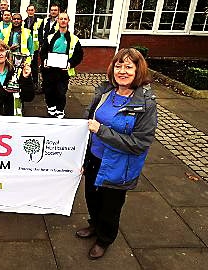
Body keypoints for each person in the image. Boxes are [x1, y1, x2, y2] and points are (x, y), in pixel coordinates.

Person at [77, 48, 157, 260]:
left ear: (138, 71)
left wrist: (102, 131)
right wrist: (82, 155)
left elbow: (140, 143)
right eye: (118, 66)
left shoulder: (145, 104)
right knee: (91, 198)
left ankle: (105, 238)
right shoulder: (104, 92)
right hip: (94, 158)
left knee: (110, 207)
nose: (122, 71)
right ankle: (94, 225)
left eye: (128, 67)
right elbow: (87, 124)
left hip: (118, 166)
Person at [40, 12, 83, 118]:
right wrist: (45, 60)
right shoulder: (50, 37)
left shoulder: (74, 39)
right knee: (49, 90)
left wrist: (70, 63)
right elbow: (43, 52)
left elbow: (79, 55)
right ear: (57, 21)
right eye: (61, 19)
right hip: (50, 70)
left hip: (63, 71)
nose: (63, 21)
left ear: (68, 21)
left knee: (60, 91)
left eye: (65, 19)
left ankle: (59, 109)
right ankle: (51, 107)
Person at [23, 4, 44, 91]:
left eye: (32, 10)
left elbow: (41, 34)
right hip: (26, 46)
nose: (30, 12)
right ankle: (26, 82)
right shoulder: (24, 21)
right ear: (27, 11)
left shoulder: (39, 21)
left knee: (34, 66)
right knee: (25, 65)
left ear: (34, 11)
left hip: (35, 47)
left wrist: (41, 44)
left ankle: (35, 83)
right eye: (29, 10)